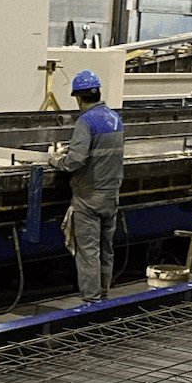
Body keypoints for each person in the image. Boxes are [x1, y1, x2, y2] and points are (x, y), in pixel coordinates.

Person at [53, 70, 124, 302]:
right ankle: (103, 293)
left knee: (88, 252)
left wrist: (56, 160)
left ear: (78, 97)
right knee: (106, 248)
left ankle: (92, 300)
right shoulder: (115, 118)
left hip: (88, 197)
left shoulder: (85, 122)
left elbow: (74, 161)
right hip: (111, 195)